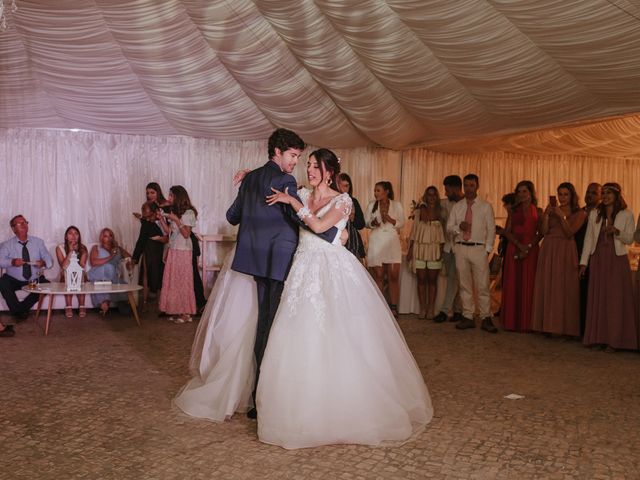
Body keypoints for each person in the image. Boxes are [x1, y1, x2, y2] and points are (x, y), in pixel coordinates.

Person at [175, 147, 433, 449]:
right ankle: (295, 407)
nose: (308, 170)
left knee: (341, 336)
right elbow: (271, 192)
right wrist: (250, 178)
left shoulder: (342, 200)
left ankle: (344, 403)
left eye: (314, 166)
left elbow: (322, 227)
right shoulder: (299, 192)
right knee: (295, 336)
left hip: (333, 271)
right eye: (307, 165)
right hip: (302, 270)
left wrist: (293, 203)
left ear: (329, 172)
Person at [222, 128, 338, 419]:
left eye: (300, 158)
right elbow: (299, 219)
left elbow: (232, 216)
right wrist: (334, 234)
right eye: (293, 156)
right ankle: (266, 399)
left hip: (254, 263)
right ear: (277, 151)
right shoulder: (285, 180)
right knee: (276, 328)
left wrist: (250, 183)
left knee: (264, 325)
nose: (295, 163)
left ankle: (257, 395)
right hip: (280, 263)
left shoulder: (250, 179)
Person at [579, 183, 638, 351]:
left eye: (609, 193)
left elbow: (630, 239)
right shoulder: (595, 214)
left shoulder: (627, 214)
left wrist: (617, 231)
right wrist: (584, 262)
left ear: (617, 195)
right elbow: (589, 239)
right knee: (598, 297)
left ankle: (615, 340)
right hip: (598, 258)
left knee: (615, 299)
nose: (605, 196)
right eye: (603, 193)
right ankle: (598, 337)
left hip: (617, 259)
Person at [531, 183, 586, 337]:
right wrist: (547, 215)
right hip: (548, 248)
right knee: (548, 284)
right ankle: (546, 325)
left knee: (564, 287)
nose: (562, 198)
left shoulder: (579, 213)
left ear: (572, 196)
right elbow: (543, 231)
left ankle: (563, 328)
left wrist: (561, 216)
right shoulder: (551, 210)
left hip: (565, 250)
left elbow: (570, 233)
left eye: (565, 194)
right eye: (560, 194)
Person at [446, 174, 498, 333]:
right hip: (461, 247)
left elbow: (491, 229)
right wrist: (457, 228)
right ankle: (467, 316)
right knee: (464, 284)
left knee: (482, 285)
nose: (469, 188)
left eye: (472, 185)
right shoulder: (458, 206)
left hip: (478, 248)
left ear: (477, 186)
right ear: (463, 186)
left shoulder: (485, 206)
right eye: (466, 185)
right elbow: (449, 227)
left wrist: (487, 249)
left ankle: (485, 317)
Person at [499, 181, 542, 332]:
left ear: (531, 193)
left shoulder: (538, 210)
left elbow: (540, 232)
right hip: (515, 248)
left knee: (529, 284)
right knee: (513, 284)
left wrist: (529, 247)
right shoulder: (513, 210)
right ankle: (512, 322)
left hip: (531, 250)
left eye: (525, 191)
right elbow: (507, 231)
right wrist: (519, 245)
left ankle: (528, 323)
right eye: (519, 191)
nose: (522, 194)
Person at [0, 215, 53, 325]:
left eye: (25, 222)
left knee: (47, 285)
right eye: (20, 223)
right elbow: (1, 261)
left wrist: (43, 263)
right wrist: (12, 262)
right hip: (13, 279)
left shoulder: (38, 242)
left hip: (34, 279)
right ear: (13, 229)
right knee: (2, 282)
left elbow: (49, 261)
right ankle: (20, 311)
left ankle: (19, 311)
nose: (24, 225)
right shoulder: (6, 245)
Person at [158, 186, 198, 324]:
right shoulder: (175, 212)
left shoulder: (189, 213)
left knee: (183, 280)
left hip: (183, 250)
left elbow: (186, 234)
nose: (169, 199)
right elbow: (169, 231)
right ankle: (177, 310)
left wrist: (176, 220)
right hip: (174, 249)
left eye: (171, 196)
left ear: (178, 197)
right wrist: (162, 219)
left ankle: (187, 313)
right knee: (174, 280)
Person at [364, 181, 405, 317]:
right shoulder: (371, 205)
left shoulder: (396, 205)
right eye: (375, 191)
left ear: (387, 191)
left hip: (392, 241)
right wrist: (373, 223)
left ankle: (393, 307)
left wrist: (392, 220)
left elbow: (402, 222)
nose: (376, 193)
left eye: (378, 190)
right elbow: (366, 223)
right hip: (376, 241)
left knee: (393, 275)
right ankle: (380, 308)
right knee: (379, 276)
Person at [406, 186, 445, 319]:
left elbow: (444, 232)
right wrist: (410, 249)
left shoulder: (441, 211)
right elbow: (414, 230)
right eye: (429, 195)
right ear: (425, 196)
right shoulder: (419, 211)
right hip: (420, 248)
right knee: (421, 279)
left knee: (432, 280)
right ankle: (422, 308)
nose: (432, 197)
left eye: (434, 195)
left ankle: (431, 308)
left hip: (434, 248)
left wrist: (442, 249)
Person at [433, 175, 464, 323]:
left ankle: (445, 311)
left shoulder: (467, 205)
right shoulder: (445, 203)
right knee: (455, 278)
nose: (445, 193)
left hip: (462, 247)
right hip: (447, 246)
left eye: (447, 189)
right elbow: (430, 203)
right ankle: (458, 310)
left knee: (455, 278)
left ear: (457, 188)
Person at [574, 183, 602, 337]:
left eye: (593, 193)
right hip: (577, 256)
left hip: (596, 258)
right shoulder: (578, 212)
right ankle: (579, 328)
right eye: (587, 192)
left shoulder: (602, 214)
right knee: (579, 294)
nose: (589, 195)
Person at [87, 228, 133, 315]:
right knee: (109, 267)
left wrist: (129, 262)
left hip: (112, 275)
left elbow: (129, 257)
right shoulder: (96, 248)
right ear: (101, 238)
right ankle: (105, 301)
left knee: (120, 283)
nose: (108, 238)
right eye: (105, 236)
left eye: (110, 235)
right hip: (98, 272)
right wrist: (110, 256)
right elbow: (94, 262)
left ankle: (111, 302)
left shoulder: (118, 249)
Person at [131, 202, 167, 311]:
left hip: (159, 252)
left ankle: (151, 302)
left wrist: (135, 258)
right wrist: (135, 257)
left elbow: (141, 241)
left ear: (152, 211)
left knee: (156, 274)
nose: (142, 210)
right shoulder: (146, 223)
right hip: (151, 253)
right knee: (150, 274)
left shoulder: (159, 221)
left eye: (144, 209)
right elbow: (141, 241)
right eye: (142, 209)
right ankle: (149, 302)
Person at [56, 226, 89, 318]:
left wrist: (75, 271)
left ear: (79, 236)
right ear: (66, 236)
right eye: (70, 233)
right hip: (65, 274)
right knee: (67, 277)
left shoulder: (83, 248)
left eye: (76, 233)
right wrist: (70, 251)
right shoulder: (59, 248)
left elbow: (82, 265)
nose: (73, 236)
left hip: (79, 273)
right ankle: (69, 306)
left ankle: (82, 305)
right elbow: (63, 266)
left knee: (80, 276)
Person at [337, 172, 366, 261]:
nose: (343, 189)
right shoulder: (332, 200)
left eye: (346, 186)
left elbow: (361, 225)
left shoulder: (353, 201)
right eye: (340, 186)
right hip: (336, 242)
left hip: (353, 243)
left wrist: (352, 216)